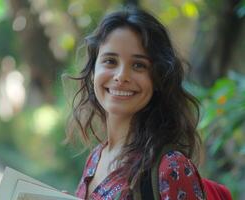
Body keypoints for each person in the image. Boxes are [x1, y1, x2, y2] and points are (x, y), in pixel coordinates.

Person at [66, 8, 230, 200]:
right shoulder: (95, 158)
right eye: (110, 61)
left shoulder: (171, 168)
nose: (121, 76)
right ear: (93, 72)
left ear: (158, 78)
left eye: (138, 65)